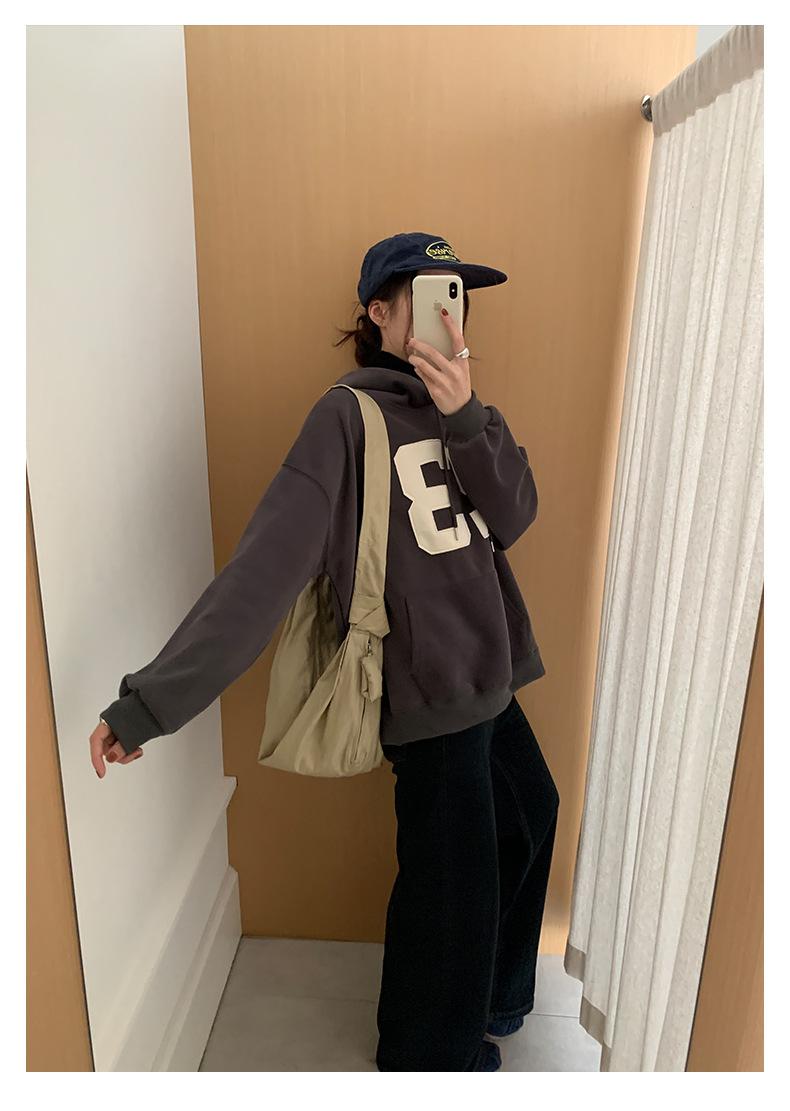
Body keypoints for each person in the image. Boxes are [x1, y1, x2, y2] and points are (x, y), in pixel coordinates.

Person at [89, 231, 560, 1072]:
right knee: (450, 885)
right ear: (379, 311)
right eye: (430, 298)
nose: (450, 316)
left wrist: (466, 415)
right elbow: (260, 573)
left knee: (529, 816)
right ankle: (427, 1056)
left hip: (494, 675)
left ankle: (492, 995)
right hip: (430, 691)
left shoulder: (464, 408)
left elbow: (516, 515)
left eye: (458, 299)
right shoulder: (344, 419)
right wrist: (149, 705)